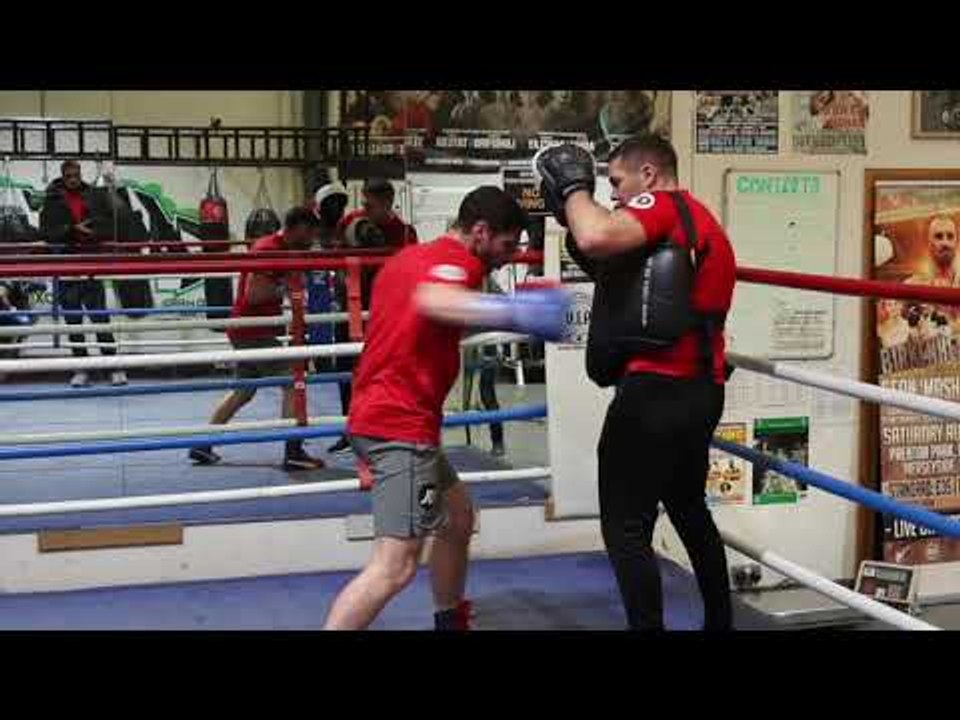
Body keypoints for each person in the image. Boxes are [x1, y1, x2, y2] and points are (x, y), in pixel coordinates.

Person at [323, 186, 570, 630]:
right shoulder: (460, 263)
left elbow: (424, 320)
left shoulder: (409, 257)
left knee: (457, 517)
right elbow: (436, 301)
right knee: (394, 566)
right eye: (506, 245)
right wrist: (516, 313)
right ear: (480, 232)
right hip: (398, 427)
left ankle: (449, 618)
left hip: (385, 415)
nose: (509, 256)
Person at [533, 135, 737, 631]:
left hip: (653, 396)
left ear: (648, 175)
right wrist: (569, 215)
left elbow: (597, 238)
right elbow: (614, 269)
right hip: (700, 391)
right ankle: (720, 624)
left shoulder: (660, 204)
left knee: (626, 529)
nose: (616, 195)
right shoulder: (700, 222)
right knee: (689, 509)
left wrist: (575, 189)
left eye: (618, 182)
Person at [188, 206, 326, 472]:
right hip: (253, 330)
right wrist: (287, 286)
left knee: (244, 390)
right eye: (310, 233)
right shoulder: (268, 249)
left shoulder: (283, 248)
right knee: (292, 379)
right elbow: (254, 295)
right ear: (298, 228)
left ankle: (202, 444)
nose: (311, 239)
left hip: (247, 329)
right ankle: (293, 450)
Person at [327, 179, 419, 454]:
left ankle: (386, 430)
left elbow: (411, 271)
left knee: (384, 373)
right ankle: (350, 430)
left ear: (388, 203)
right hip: (352, 309)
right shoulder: (351, 222)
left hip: (385, 314)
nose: (365, 209)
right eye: (364, 203)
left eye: (371, 205)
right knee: (345, 368)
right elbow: (334, 260)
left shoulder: (404, 233)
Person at [40, 159, 126, 388]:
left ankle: (113, 366)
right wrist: (71, 230)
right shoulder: (52, 200)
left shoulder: (93, 195)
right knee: (73, 321)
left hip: (90, 263)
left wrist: (94, 232)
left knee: (100, 318)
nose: (73, 179)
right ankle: (81, 368)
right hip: (67, 265)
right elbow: (47, 233)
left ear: (80, 174)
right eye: (68, 176)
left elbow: (108, 225)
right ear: (62, 176)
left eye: (76, 174)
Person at [905, 215, 960, 333]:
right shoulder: (912, 285)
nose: (945, 243)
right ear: (928, 243)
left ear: (957, 241)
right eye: (938, 236)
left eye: (950, 236)